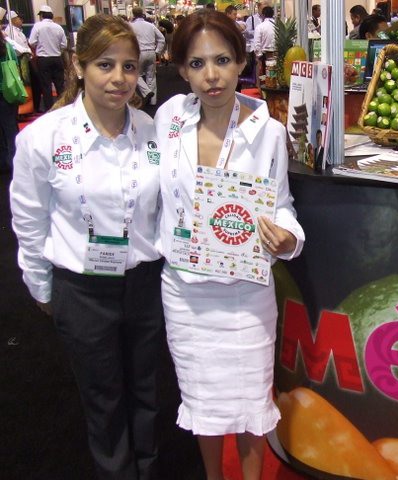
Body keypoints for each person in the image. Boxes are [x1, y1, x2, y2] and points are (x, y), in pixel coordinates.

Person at [10, 14, 163, 479]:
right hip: (82, 288)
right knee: (102, 397)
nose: (119, 78)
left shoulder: (152, 130)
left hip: (146, 284)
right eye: (104, 65)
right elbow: (29, 218)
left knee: (148, 391)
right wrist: (41, 286)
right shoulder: (43, 138)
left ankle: (148, 469)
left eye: (129, 66)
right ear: (78, 66)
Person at [155, 10, 304, 480]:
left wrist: (287, 237)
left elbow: (281, 204)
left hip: (244, 292)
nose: (211, 76)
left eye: (222, 60)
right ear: (182, 70)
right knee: (201, 401)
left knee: (249, 403)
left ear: (242, 62)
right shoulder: (169, 119)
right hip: (185, 292)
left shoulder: (268, 131)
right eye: (197, 64)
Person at [28, 5, 67, 112]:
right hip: (57, 58)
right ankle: (64, 108)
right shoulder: (58, 27)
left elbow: (31, 42)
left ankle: (49, 111)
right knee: (60, 86)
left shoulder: (38, 26)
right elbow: (64, 45)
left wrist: (40, 45)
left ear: (41, 15)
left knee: (46, 87)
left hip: (43, 60)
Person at [130, 7, 165, 106]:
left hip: (139, 53)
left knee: (136, 74)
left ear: (133, 14)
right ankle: (153, 101)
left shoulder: (130, 26)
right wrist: (157, 51)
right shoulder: (151, 25)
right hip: (151, 52)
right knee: (151, 77)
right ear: (142, 13)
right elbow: (161, 39)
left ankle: (146, 91)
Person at [0, 31, 19, 174]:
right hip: (9, 91)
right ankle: (15, 161)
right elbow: (16, 65)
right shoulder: (7, 47)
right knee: (11, 128)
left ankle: (3, 162)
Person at [253, 5, 276, 75]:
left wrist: (259, 56)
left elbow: (257, 44)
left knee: (265, 77)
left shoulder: (260, 27)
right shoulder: (278, 25)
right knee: (275, 76)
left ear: (263, 15)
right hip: (277, 55)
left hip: (265, 56)